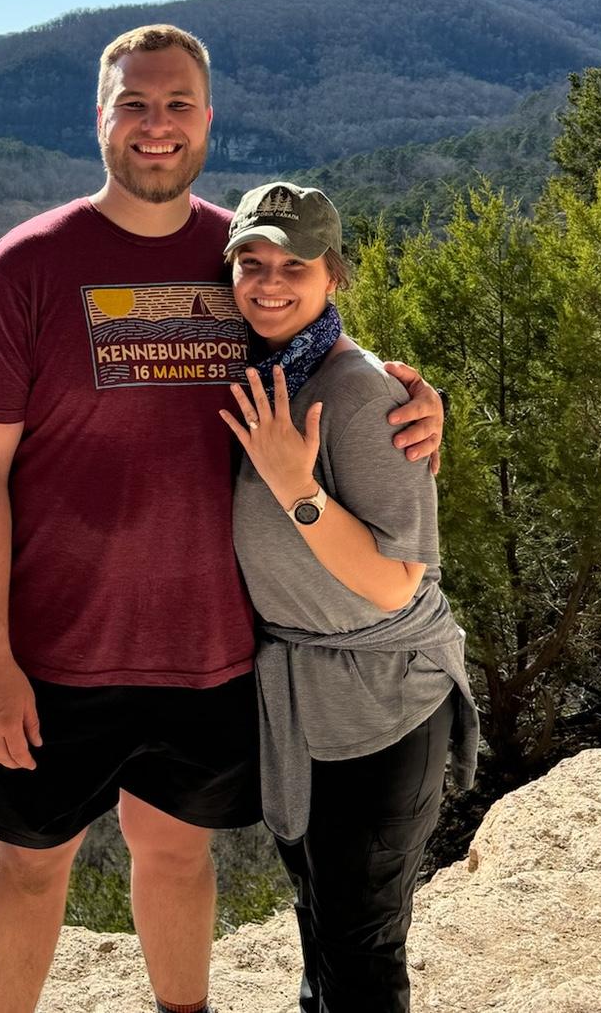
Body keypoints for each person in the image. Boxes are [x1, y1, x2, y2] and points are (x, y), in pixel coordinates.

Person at [0, 24, 446, 1013]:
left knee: (175, 855)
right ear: (101, 118)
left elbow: (319, 347)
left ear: (209, 119)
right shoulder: (23, 271)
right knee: (31, 860)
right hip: (56, 652)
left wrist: (416, 399)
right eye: (135, 104)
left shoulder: (235, 259)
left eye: (178, 105)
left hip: (211, 650)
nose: (157, 127)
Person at [219, 180, 478, 1013]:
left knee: (361, 942)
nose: (269, 282)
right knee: (323, 921)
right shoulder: (263, 375)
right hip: (304, 696)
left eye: (294, 265)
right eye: (250, 263)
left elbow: (396, 578)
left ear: (334, 275)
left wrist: (298, 487)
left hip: (384, 699)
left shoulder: (364, 394)